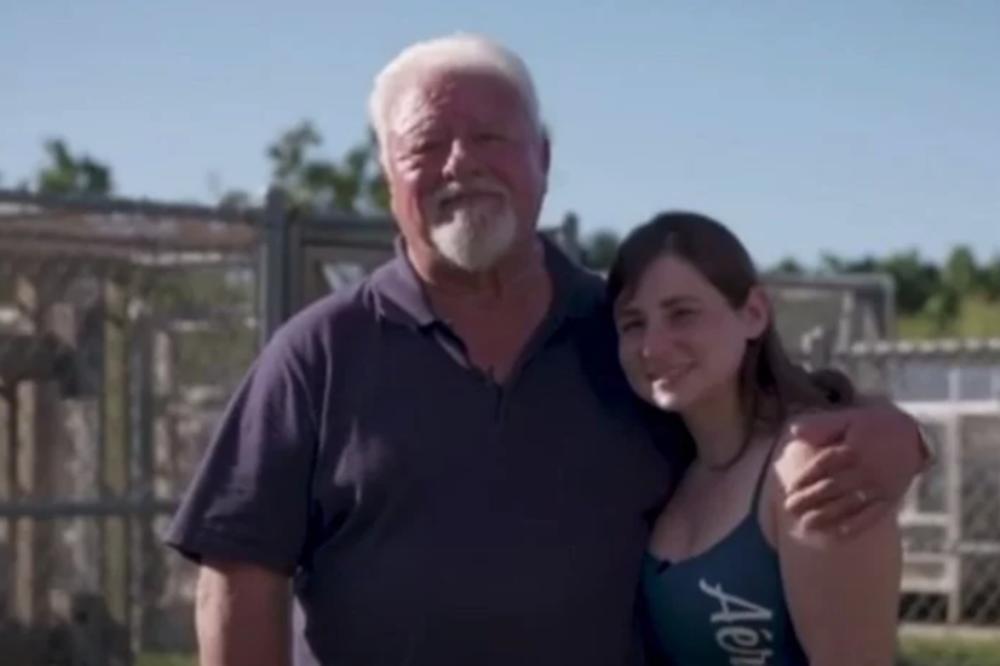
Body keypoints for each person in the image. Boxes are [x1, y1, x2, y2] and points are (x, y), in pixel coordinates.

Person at [166, 34, 923, 666]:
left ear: (544, 159)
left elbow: (768, 414)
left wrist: (903, 438)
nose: (460, 162)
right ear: (389, 175)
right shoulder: (318, 355)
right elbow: (237, 576)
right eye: (426, 144)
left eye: (490, 138)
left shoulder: (629, 335)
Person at [609, 212, 901, 665]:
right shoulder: (671, 467)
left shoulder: (810, 465)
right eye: (633, 324)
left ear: (753, 314)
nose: (653, 346)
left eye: (682, 314)